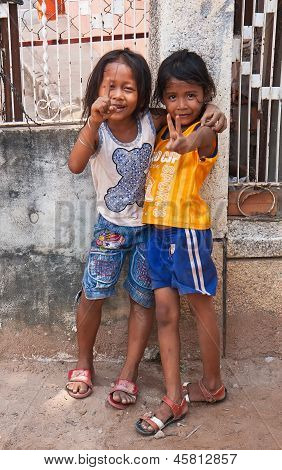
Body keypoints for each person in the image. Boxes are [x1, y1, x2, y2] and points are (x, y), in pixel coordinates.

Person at [66, 49, 226, 408]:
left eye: (129, 88)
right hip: (111, 226)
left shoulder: (152, 123)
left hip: (151, 230)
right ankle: (83, 363)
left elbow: (199, 124)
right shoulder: (99, 130)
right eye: (111, 87)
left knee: (143, 299)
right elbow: (75, 165)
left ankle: (129, 371)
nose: (119, 95)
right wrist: (92, 121)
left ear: (142, 95)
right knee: (94, 291)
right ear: (97, 89)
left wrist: (215, 114)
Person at [136, 50, 226, 436]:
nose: (182, 104)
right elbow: (141, 112)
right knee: (165, 315)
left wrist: (192, 140)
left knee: (201, 310)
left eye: (191, 95)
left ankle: (211, 384)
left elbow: (208, 135)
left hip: (187, 232)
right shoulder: (159, 128)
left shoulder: (201, 133)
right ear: (163, 99)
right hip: (155, 232)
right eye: (173, 96)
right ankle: (174, 396)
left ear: (205, 94)